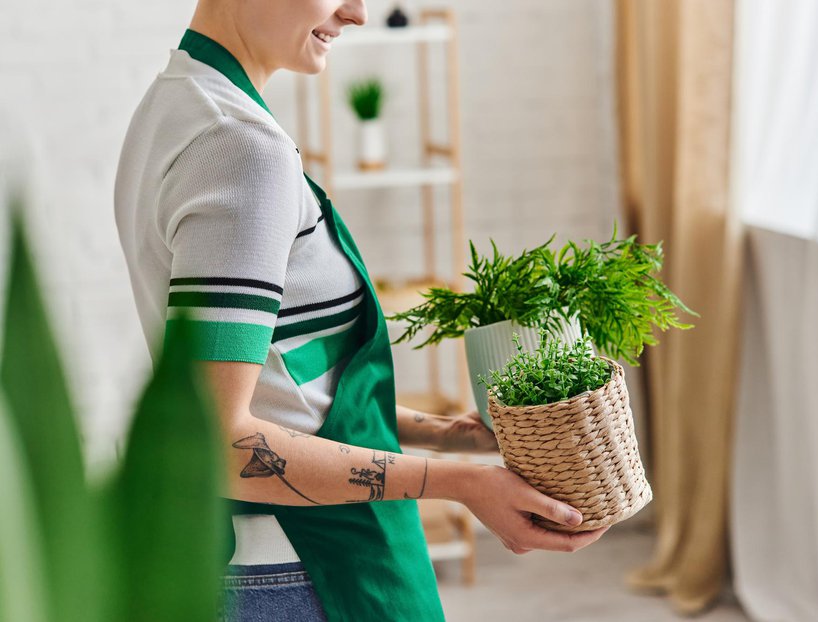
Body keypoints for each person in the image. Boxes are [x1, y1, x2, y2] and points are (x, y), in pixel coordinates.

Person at [113, 1, 609, 620]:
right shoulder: (239, 147)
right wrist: (462, 484)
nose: (357, 14)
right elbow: (226, 441)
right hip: (304, 571)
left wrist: (445, 434)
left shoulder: (176, 104)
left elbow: (284, 385)